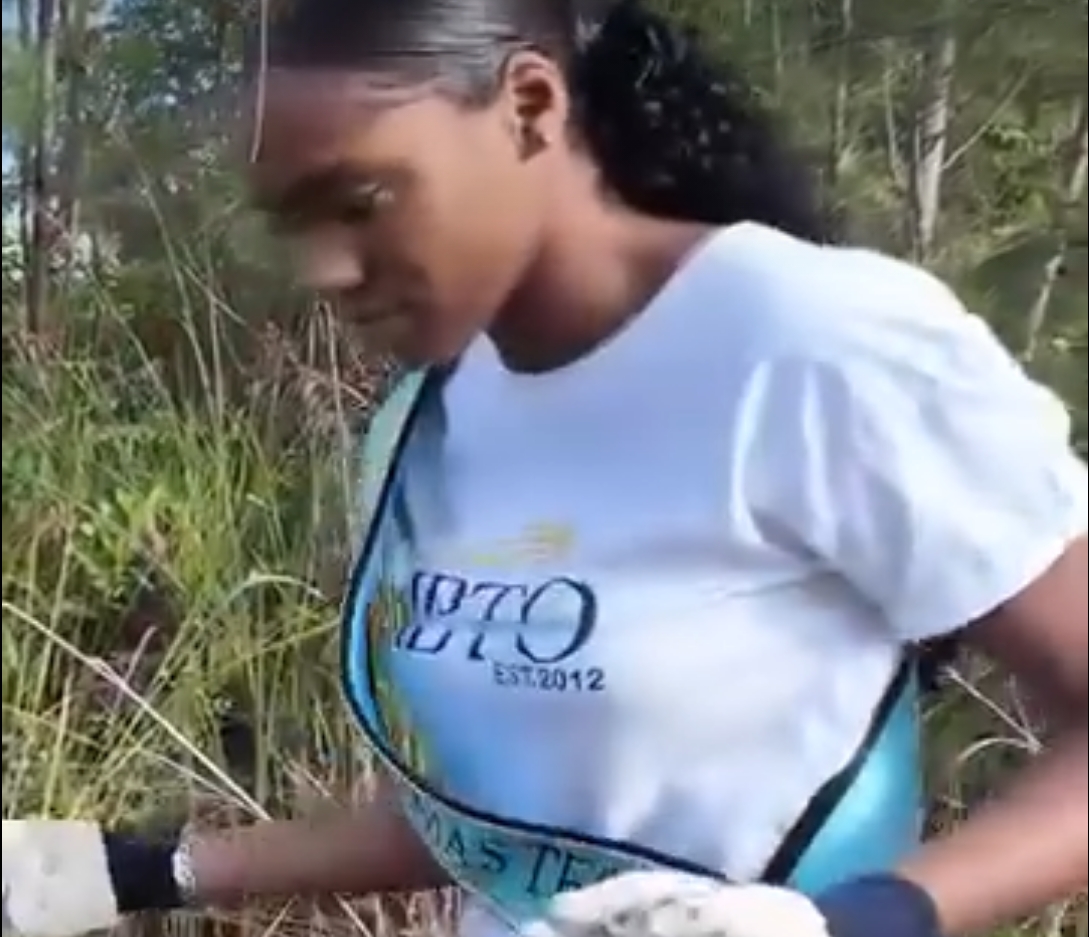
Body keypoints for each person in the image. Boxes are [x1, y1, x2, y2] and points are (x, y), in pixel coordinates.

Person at [3, 0, 1085, 936]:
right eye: (295, 224)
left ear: (530, 105)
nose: (324, 269)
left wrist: (849, 917)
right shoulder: (430, 413)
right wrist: (128, 871)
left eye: (364, 201)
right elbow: (520, 825)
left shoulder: (811, 343)